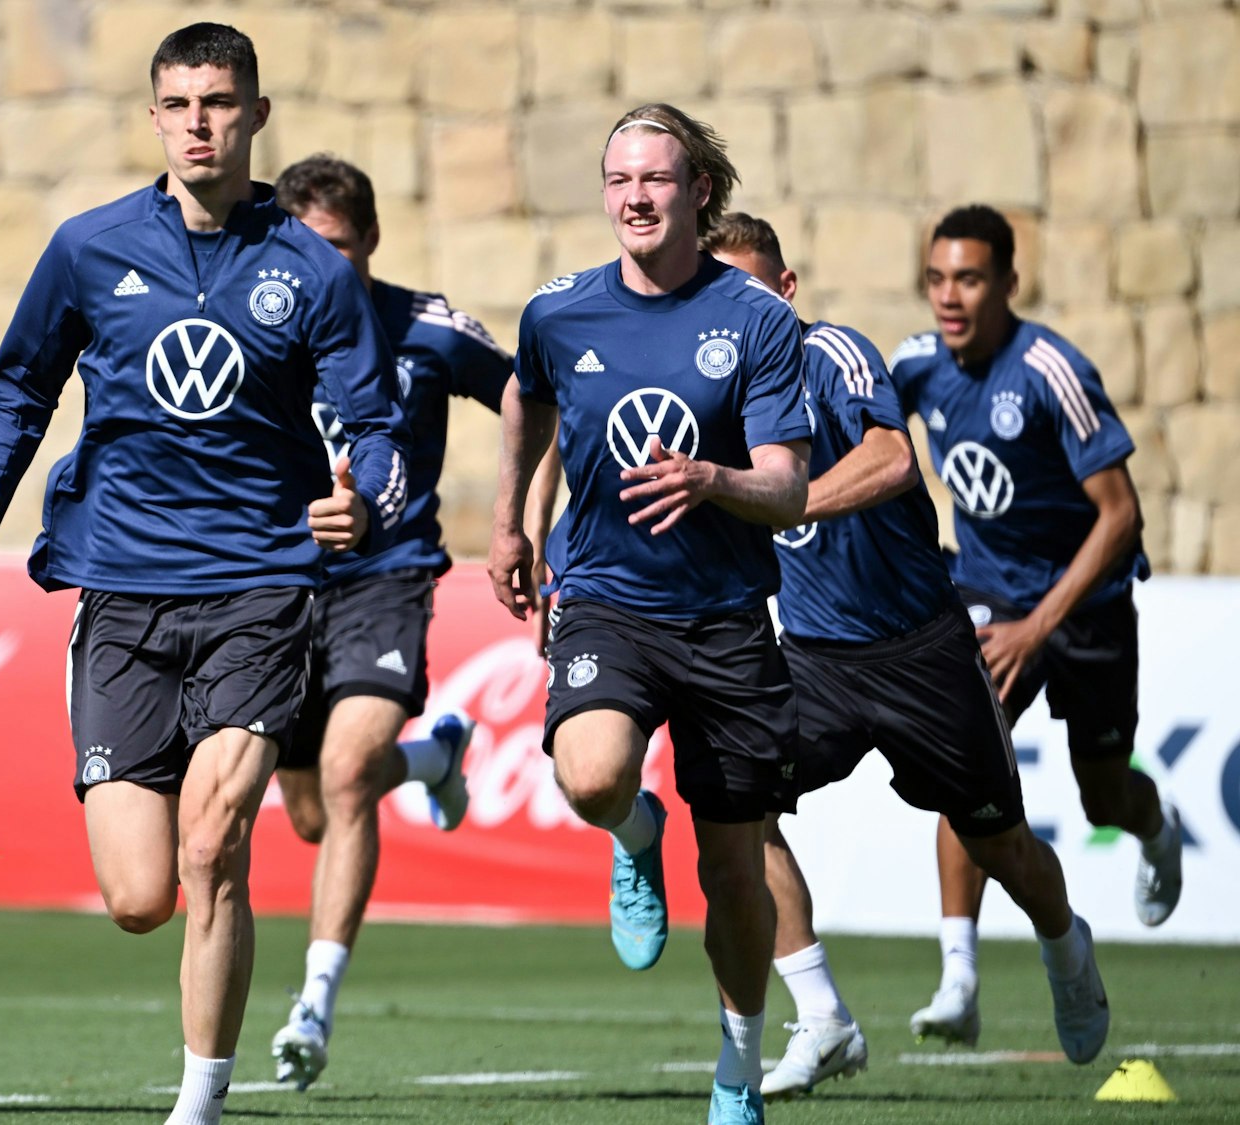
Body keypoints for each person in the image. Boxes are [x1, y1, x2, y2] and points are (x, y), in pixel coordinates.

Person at [0, 24, 407, 1125]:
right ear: (154, 117)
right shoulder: (87, 249)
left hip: (260, 587)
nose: (200, 122)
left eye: (220, 102)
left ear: (254, 114)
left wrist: (362, 496)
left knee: (213, 844)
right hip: (123, 594)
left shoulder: (309, 268)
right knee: (142, 895)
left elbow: (373, 426)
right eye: (179, 103)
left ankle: (196, 1106)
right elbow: (17, 398)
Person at [697, 214, 1108, 1095]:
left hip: (923, 650)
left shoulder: (834, 354)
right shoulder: (710, 391)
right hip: (812, 658)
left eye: (750, 289)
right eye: (716, 293)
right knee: (732, 804)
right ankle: (822, 1017)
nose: (735, 310)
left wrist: (783, 499)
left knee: (1001, 847)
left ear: (787, 290)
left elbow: (891, 460)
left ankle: (1065, 945)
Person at [487, 104, 811, 1125]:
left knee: (733, 873)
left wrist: (711, 477)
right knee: (588, 773)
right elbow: (525, 404)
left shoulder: (754, 319)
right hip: (604, 600)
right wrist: (512, 524)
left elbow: (789, 488)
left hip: (721, 617)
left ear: (697, 191)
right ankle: (633, 834)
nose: (633, 198)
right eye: (617, 180)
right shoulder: (558, 313)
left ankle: (736, 1072)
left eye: (655, 181)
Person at [891, 205, 1178, 1045]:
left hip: (1084, 607)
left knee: (1102, 789)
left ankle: (1153, 829)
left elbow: (1120, 515)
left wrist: (1040, 625)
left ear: (1009, 284)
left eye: (970, 279)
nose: (950, 297)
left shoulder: (1051, 370)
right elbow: (866, 443)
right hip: (985, 597)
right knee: (959, 761)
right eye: (938, 278)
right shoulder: (915, 366)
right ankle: (959, 979)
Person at [263, 155, 503, 1089]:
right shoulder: (257, 323)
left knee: (349, 766)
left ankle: (313, 1007)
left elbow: (537, 396)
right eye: (303, 249)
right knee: (316, 812)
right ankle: (436, 758)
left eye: (337, 249)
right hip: (278, 587)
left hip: (387, 575)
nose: (319, 268)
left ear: (369, 244)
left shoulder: (431, 329)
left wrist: (531, 520)